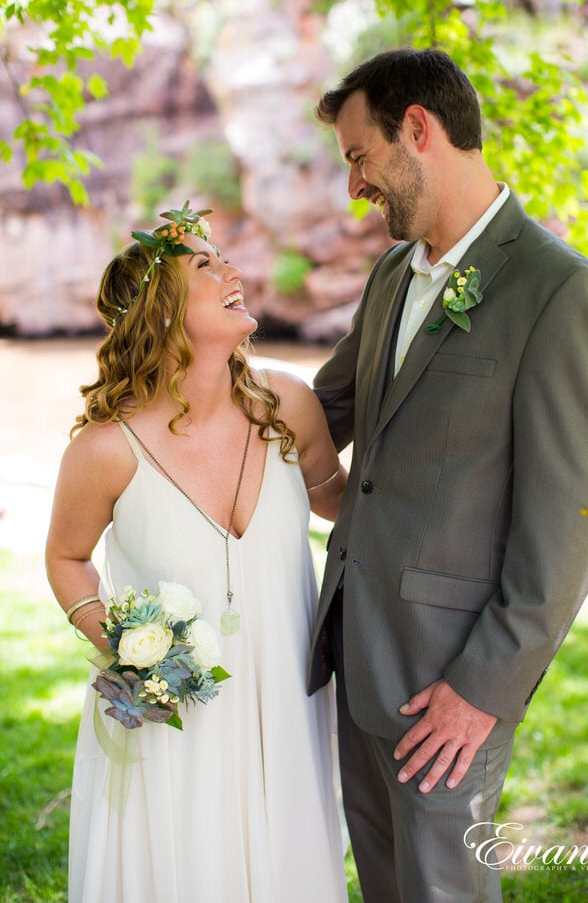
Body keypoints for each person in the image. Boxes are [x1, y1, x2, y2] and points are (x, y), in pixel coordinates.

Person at [307, 49, 588, 903]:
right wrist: (168, 396)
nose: (355, 187)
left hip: (452, 686)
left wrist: (482, 690)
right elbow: (320, 413)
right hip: (358, 651)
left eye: (359, 156)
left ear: (420, 129)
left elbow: (572, 521)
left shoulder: (558, 292)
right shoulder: (390, 277)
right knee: (383, 883)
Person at [45, 201, 349, 903]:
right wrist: (128, 649)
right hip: (171, 715)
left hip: (284, 697)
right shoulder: (104, 449)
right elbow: (65, 557)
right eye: (206, 265)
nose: (232, 270)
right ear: (161, 310)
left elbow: (341, 498)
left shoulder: (288, 406)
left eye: (224, 256)